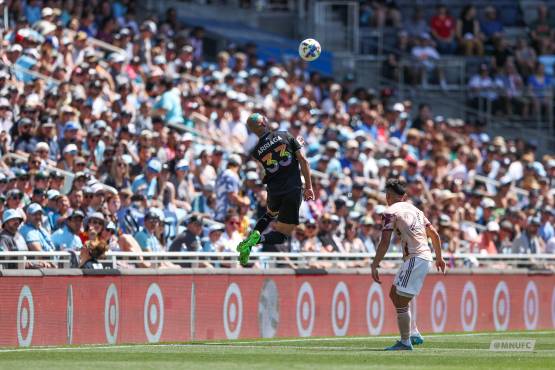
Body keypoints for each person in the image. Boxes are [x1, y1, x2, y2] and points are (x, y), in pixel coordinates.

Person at [371, 179, 446, 351]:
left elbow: (385, 241)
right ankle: (413, 333)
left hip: (415, 258)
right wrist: (439, 258)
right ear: (403, 196)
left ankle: (406, 342)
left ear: (388, 196)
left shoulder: (390, 211)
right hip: (421, 257)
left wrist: (375, 264)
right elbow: (434, 234)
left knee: (401, 301)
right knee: (394, 294)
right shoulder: (416, 210)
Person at [236, 113, 314, 266]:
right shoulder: (284, 135)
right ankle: (257, 239)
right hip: (292, 188)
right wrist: (309, 187)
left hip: (274, 190)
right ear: (264, 123)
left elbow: (271, 159)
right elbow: (303, 161)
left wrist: (294, 145)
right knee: (283, 235)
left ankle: (249, 244)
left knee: (270, 214)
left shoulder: (256, 151)